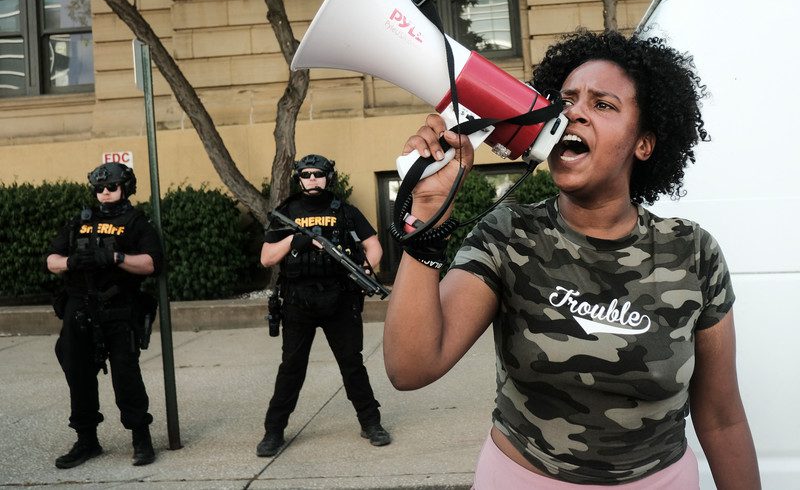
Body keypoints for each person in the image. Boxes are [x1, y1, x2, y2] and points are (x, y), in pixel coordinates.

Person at [384, 31, 761, 489]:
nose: (574, 112)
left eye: (603, 105)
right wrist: (424, 218)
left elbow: (722, 420)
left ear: (643, 143)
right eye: (566, 100)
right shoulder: (509, 236)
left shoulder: (693, 253)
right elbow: (410, 367)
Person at [256, 154, 391, 457]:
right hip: (297, 301)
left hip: (340, 299)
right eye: (306, 175)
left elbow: (373, 246)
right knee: (291, 368)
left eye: (318, 174)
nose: (312, 179)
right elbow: (267, 257)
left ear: (328, 177)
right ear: (299, 178)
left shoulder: (344, 211)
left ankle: (371, 423)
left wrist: (365, 272)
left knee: (352, 365)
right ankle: (273, 432)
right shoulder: (286, 212)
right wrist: (294, 242)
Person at [46, 163, 163, 469]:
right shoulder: (79, 222)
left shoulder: (136, 222)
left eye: (111, 187)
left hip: (119, 308)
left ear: (126, 188)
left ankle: (141, 438)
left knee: (126, 375)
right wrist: (71, 262)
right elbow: (51, 260)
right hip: (79, 308)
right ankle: (86, 440)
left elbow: (151, 263)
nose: (105, 193)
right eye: (100, 189)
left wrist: (116, 257)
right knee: (78, 373)